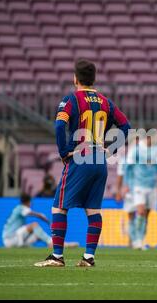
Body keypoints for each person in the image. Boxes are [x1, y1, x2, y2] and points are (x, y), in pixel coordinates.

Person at [34, 59, 130, 267]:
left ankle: (57, 256)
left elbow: (60, 126)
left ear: (75, 78)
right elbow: (126, 126)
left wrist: (64, 152)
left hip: (80, 157)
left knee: (59, 207)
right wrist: (111, 149)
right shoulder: (106, 102)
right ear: (94, 79)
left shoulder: (71, 99)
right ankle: (88, 257)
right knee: (93, 210)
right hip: (99, 161)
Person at [124, 132, 157, 250]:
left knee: (146, 215)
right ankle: (136, 240)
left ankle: (140, 239)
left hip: (151, 186)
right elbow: (128, 168)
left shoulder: (156, 150)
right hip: (138, 185)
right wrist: (126, 184)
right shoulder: (136, 150)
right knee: (140, 212)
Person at [115, 142, 136, 247]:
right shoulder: (124, 161)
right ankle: (132, 240)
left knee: (142, 214)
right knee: (132, 215)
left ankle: (138, 239)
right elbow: (120, 176)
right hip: (130, 192)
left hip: (143, 189)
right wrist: (118, 191)